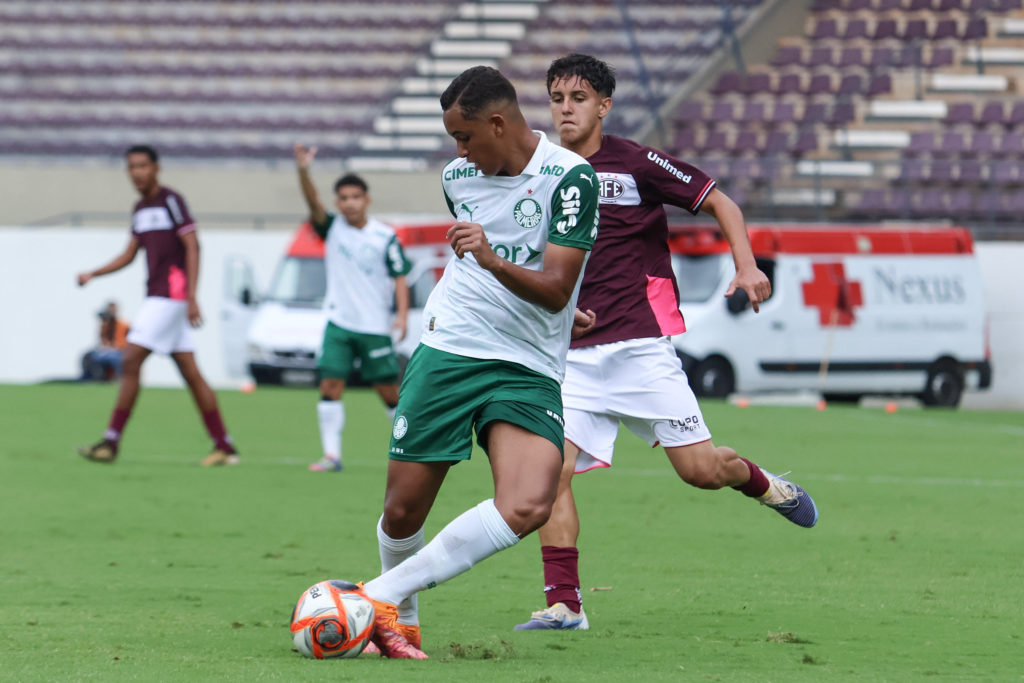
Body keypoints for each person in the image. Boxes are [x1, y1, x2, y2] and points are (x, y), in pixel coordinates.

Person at [512, 54, 818, 631]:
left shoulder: (636, 163)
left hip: (639, 348)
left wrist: (746, 267)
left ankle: (766, 484)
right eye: (556, 98)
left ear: (604, 105)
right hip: (569, 357)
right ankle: (564, 603)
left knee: (701, 471)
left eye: (578, 98)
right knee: (551, 470)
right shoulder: (542, 169)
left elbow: (720, 201)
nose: (565, 109)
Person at [345, 65, 600, 659]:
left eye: (464, 137)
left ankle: (371, 596)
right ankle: (399, 623)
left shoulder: (570, 179)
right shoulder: (459, 178)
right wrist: (509, 276)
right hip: (451, 346)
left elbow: (557, 286)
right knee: (403, 509)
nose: (457, 151)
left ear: (498, 122)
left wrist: (495, 262)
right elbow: (514, 274)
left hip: (528, 362)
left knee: (530, 503)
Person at [76, 145, 238, 466]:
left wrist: (191, 296)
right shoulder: (140, 209)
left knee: (132, 359)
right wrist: (94, 272)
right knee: (191, 373)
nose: (137, 173)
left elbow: (193, 245)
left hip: (171, 296)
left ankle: (110, 442)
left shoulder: (171, 201)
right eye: (131, 167)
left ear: (156, 168)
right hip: (159, 296)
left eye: (142, 166)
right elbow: (129, 254)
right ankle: (224, 446)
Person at [292, 149, 412, 473]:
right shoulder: (331, 228)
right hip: (339, 322)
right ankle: (332, 456)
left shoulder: (385, 237)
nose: (349, 203)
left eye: (355, 197)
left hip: (374, 326)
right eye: (343, 198)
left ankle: (410, 449)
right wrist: (304, 170)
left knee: (388, 392)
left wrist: (400, 315)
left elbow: (400, 277)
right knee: (329, 385)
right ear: (337, 202)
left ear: (367, 200)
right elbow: (313, 202)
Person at [80, 301, 129, 381]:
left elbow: (125, 343)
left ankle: (120, 379)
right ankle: (90, 378)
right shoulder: (105, 325)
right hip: (105, 351)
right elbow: (103, 342)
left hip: (119, 351)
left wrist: (113, 347)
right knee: (88, 356)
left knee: (114, 358)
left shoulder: (124, 325)